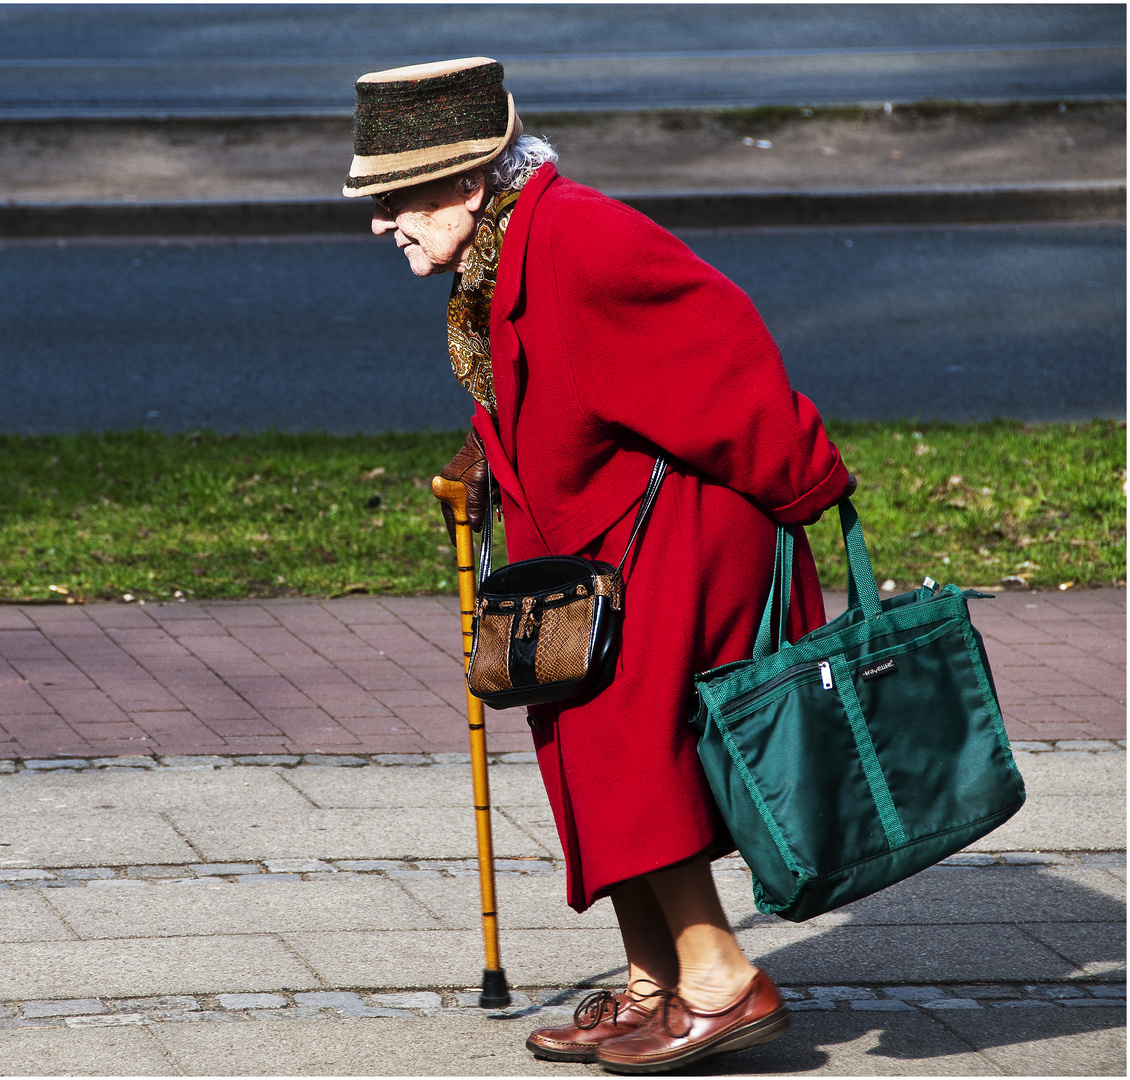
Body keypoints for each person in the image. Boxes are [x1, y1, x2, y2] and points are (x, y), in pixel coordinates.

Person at [344, 58, 857, 1074]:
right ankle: (650, 979)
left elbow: (723, 357)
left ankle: (719, 981)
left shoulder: (582, 236)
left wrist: (808, 489)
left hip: (675, 531)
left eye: (394, 198)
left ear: (464, 183)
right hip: (588, 542)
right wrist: (484, 459)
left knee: (625, 743)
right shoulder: (500, 248)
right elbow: (566, 381)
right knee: (577, 732)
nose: (379, 222)